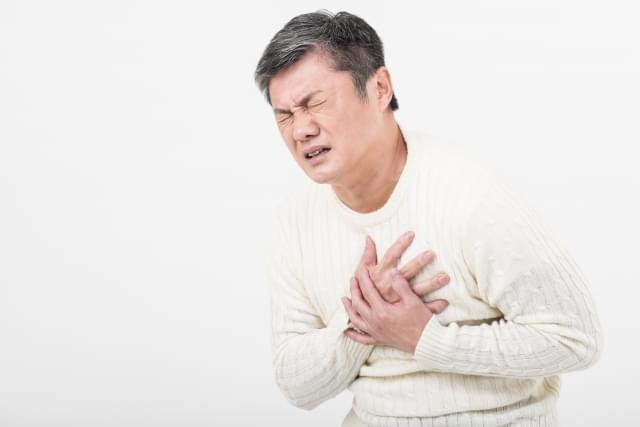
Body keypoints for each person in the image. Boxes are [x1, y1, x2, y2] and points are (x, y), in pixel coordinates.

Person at [255, 10, 602, 427]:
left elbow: (574, 339)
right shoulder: (293, 223)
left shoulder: (471, 197)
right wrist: (362, 316)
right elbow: (298, 387)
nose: (300, 130)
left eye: (315, 103)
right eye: (284, 114)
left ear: (380, 88)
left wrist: (427, 338)